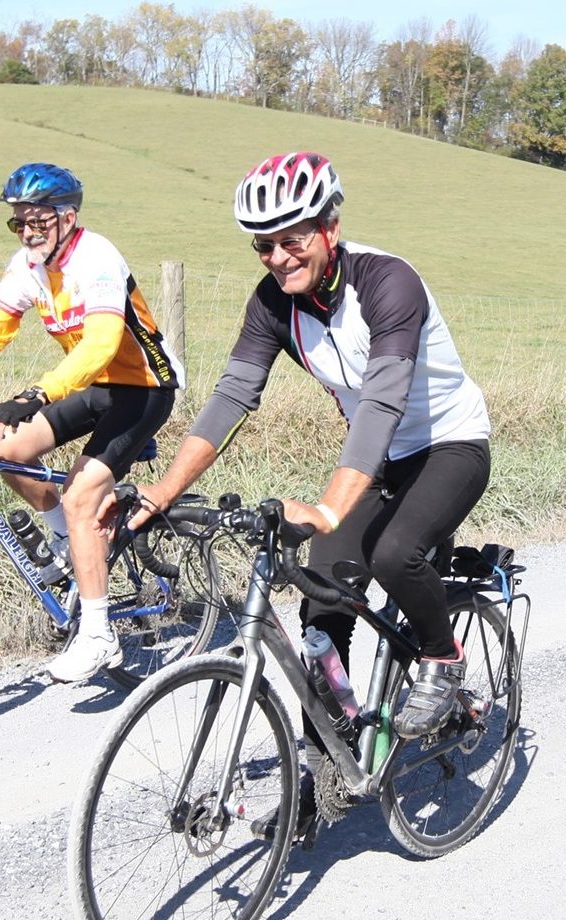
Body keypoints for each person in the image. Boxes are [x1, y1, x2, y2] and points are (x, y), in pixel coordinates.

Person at [120, 151, 492, 738]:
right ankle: (326, 772)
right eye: (263, 246)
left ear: (330, 229)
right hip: (381, 458)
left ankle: (442, 658)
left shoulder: (389, 282)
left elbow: (382, 401)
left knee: (395, 553)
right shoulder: (273, 303)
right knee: (322, 605)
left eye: (291, 240)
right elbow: (233, 397)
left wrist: (326, 509)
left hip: (449, 443)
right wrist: (163, 490)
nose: (278, 258)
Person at [0, 162, 184, 683]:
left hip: (145, 389)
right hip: (95, 388)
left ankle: (97, 636)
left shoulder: (97, 259)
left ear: (67, 218)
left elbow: (101, 344)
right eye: (18, 223)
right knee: (3, 446)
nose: (27, 232)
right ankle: (71, 545)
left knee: (81, 496)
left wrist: (38, 393)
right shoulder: (28, 266)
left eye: (37, 222)